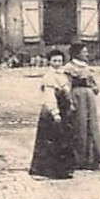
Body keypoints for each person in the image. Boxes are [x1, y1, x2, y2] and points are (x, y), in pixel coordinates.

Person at [28, 50, 76, 179]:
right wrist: (55, 113)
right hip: (52, 111)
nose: (57, 63)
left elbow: (67, 93)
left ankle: (63, 169)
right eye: (54, 61)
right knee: (52, 140)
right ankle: (50, 170)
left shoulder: (63, 75)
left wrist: (70, 104)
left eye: (60, 61)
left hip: (63, 110)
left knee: (63, 140)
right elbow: (49, 97)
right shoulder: (49, 77)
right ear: (50, 61)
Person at [64, 45, 100, 171]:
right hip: (78, 96)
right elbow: (67, 84)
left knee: (91, 124)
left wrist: (95, 88)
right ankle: (79, 159)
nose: (87, 54)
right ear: (77, 53)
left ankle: (92, 159)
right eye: (84, 52)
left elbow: (93, 83)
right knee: (79, 125)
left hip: (89, 97)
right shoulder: (69, 67)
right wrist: (69, 100)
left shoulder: (86, 67)